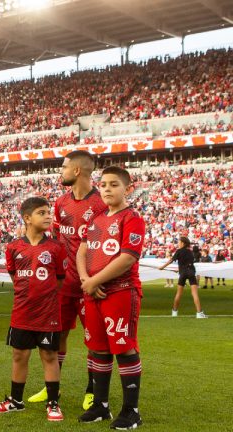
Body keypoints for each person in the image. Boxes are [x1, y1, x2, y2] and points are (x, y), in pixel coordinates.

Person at [28, 150, 108, 408]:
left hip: (90, 283)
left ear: (76, 171)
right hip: (63, 285)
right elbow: (58, 241)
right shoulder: (61, 203)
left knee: (94, 338)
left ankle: (92, 389)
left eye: (63, 167)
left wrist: (95, 279)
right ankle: (53, 388)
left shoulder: (101, 204)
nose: (60, 171)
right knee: (56, 335)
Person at [77, 166, 145, 430]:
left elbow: (128, 258)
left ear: (127, 189)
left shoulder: (132, 218)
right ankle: (100, 406)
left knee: (124, 347)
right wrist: (86, 280)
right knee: (98, 348)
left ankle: (132, 411)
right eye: (103, 184)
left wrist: (95, 281)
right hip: (93, 292)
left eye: (114, 184)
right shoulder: (96, 219)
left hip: (120, 291)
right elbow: (82, 251)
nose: (106, 189)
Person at [0, 197, 66, 421]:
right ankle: (15, 401)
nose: (48, 216)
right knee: (19, 355)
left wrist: (43, 293)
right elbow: (15, 277)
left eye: (49, 212)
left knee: (49, 355)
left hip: (48, 313)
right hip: (22, 311)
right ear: (27, 218)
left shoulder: (55, 247)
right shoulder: (13, 247)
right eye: (42, 213)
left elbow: (59, 280)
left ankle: (53, 403)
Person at [160, 237, 206, 318]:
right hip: (191, 272)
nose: (178, 243)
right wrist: (179, 269)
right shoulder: (190, 252)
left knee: (178, 294)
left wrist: (162, 267)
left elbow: (171, 260)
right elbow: (188, 263)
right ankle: (199, 313)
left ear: (183, 243)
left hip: (183, 273)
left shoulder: (179, 251)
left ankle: (174, 312)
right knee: (195, 294)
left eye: (179, 242)